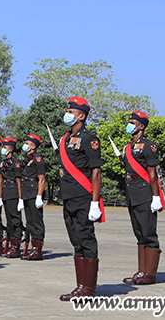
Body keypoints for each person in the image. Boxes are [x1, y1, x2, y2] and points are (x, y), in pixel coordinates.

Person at [57, 97, 104, 301]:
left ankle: (89, 289)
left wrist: (95, 202)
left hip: (83, 196)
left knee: (86, 238)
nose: (67, 113)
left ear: (81, 116)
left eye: (71, 111)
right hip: (68, 195)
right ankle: (81, 286)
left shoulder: (89, 138)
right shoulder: (66, 138)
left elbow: (96, 172)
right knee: (76, 240)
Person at [121, 111, 163, 285]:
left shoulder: (148, 146)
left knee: (148, 232)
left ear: (141, 126)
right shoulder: (128, 147)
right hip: (132, 193)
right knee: (139, 233)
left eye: (133, 122)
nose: (130, 125)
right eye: (129, 121)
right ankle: (141, 271)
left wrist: (156, 197)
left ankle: (150, 274)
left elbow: (152, 173)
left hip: (145, 192)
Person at [20, 134, 46, 260]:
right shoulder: (27, 159)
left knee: (36, 222)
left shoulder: (38, 159)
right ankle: (32, 248)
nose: (25, 145)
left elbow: (42, 179)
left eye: (27, 143)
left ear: (33, 146)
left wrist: (39, 196)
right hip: (26, 192)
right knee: (30, 221)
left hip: (34, 192)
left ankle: (37, 250)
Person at [0, 137, 23, 258]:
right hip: (6, 192)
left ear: (11, 149)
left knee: (15, 219)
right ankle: (11, 244)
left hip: (13, 191)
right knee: (9, 220)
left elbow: (19, 181)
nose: (3, 149)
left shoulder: (15, 162)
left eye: (5, 147)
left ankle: (16, 246)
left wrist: (20, 198)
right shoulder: (4, 162)